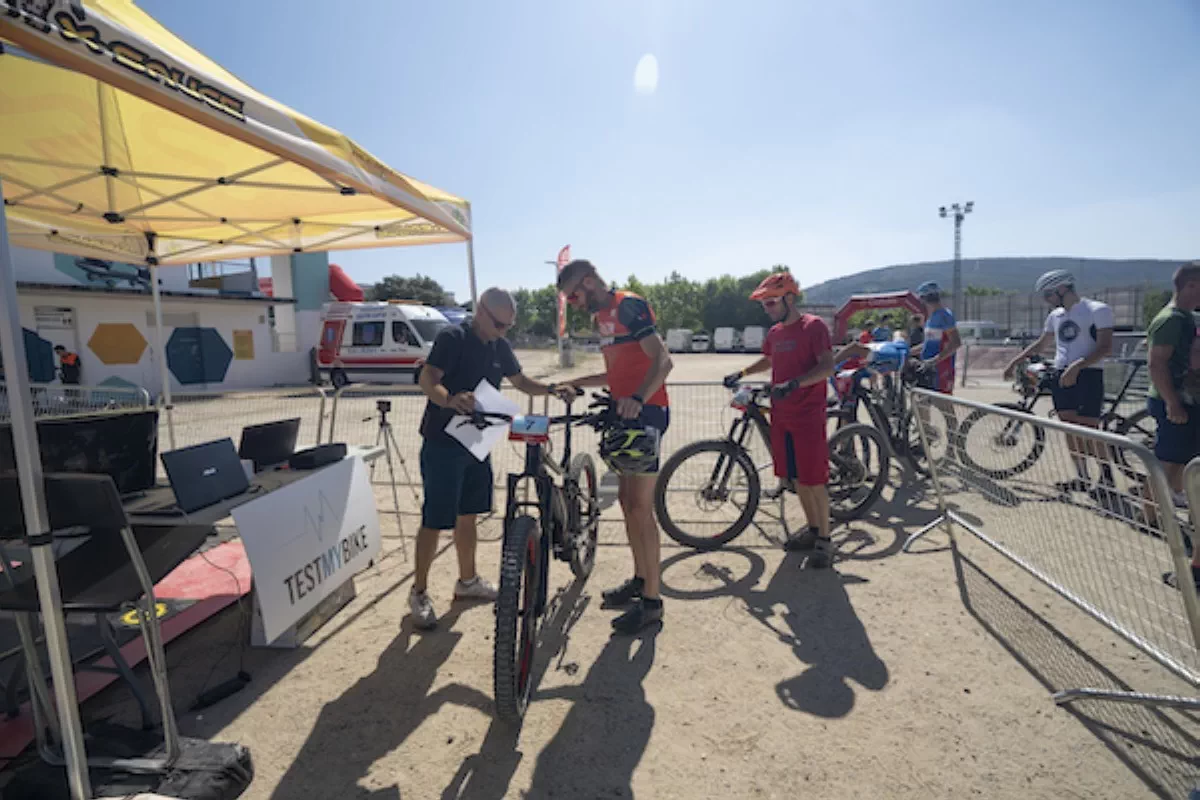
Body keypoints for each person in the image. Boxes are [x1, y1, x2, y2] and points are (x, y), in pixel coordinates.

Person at [411, 287, 574, 630]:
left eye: (509, 327)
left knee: (468, 515)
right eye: (500, 324)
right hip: (443, 443)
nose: (504, 332)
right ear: (481, 311)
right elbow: (428, 377)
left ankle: (467, 581)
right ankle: (419, 591)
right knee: (435, 519)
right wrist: (449, 399)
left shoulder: (499, 345)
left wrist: (551, 389)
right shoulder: (452, 337)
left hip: (476, 442)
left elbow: (519, 381)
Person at [557, 260, 674, 634]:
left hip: (647, 412)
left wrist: (638, 398)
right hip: (624, 415)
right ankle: (641, 580)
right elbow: (615, 372)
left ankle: (653, 602)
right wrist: (577, 381)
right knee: (626, 503)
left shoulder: (628, 305)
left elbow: (663, 360)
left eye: (574, 295)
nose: (573, 303)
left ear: (590, 281)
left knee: (641, 506)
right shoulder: (601, 319)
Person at [723, 272, 835, 567]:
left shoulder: (813, 327)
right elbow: (769, 360)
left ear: (789, 298)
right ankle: (812, 531)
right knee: (796, 480)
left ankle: (825, 540)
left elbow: (827, 367)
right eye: (764, 305)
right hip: (782, 415)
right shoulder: (775, 334)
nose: (768, 309)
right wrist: (743, 374)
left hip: (807, 415)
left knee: (814, 480)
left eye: (771, 302)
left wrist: (797, 383)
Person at [1003, 270, 1114, 494]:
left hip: (1088, 374)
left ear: (1062, 289)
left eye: (1048, 295)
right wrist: (1015, 362)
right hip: (1061, 374)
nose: (1046, 301)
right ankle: (1081, 477)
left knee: (1090, 428)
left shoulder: (1097, 310)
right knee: (1069, 427)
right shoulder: (1056, 316)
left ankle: (1106, 478)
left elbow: (1105, 347)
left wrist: (1078, 366)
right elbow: (1042, 343)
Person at [1146, 262, 1200, 593]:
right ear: (1191, 286)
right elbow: (1157, 363)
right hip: (1180, 406)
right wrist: (1173, 402)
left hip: (1186, 405)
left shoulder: (1185, 319)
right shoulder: (1171, 320)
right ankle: (1155, 516)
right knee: (1170, 471)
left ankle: (1158, 516)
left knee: (1180, 472)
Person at [915, 282, 960, 393]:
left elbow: (956, 342)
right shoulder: (931, 318)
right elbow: (928, 343)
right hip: (927, 367)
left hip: (941, 369)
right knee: (921, 402)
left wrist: (934, 360)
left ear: (923, 299)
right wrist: (909, 351)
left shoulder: (945, 316)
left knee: (943, 403)